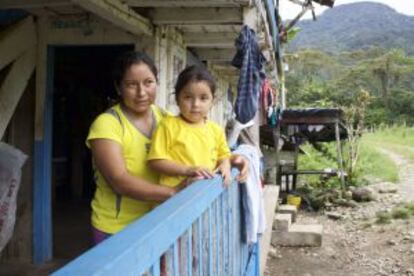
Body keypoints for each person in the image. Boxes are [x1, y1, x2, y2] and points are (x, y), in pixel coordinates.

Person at [86, 52, 248, 244]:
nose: (142, 92)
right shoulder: (108, 124)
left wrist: (232, 159)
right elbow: (119, 180)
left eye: (148, 82)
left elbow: (197, 148)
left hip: (158, 219)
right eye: (131, 84)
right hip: (118, 226)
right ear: (118, 87)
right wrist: (174, 192)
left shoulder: (163, 117)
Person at [147, 65, 246, 188]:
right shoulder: (167, 125)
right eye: (188, 97)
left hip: (206, 196)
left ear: (212, 101)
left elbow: (224, 155)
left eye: (203, 98)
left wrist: (225, 164)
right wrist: (188, 170)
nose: (195, 104)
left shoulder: (215, 130)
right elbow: (156, 161)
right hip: (175, 199)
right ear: (177, 99)